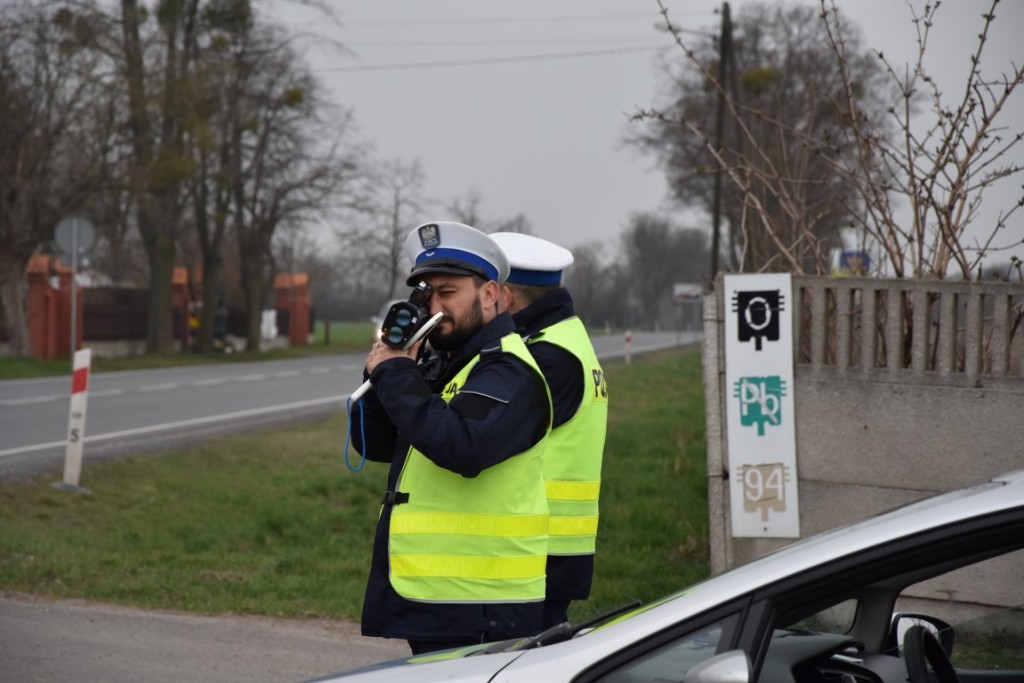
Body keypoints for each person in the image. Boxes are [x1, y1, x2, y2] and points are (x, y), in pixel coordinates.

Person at [349, 221, 553, 655]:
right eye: (426, 294)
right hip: (438, 596)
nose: (434, 307)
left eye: (447, 292)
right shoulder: (450, 364)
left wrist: (400, 377)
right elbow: (377, 446)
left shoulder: (507, 370)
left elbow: (461, 446)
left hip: (484, 601)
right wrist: (379, 375)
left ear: (490, 294)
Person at [490, 231, 609, 630]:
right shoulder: (560, 338)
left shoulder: (547, 356)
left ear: (505, 298)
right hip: (548, 543)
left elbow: (486, 437)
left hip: (535, 546)